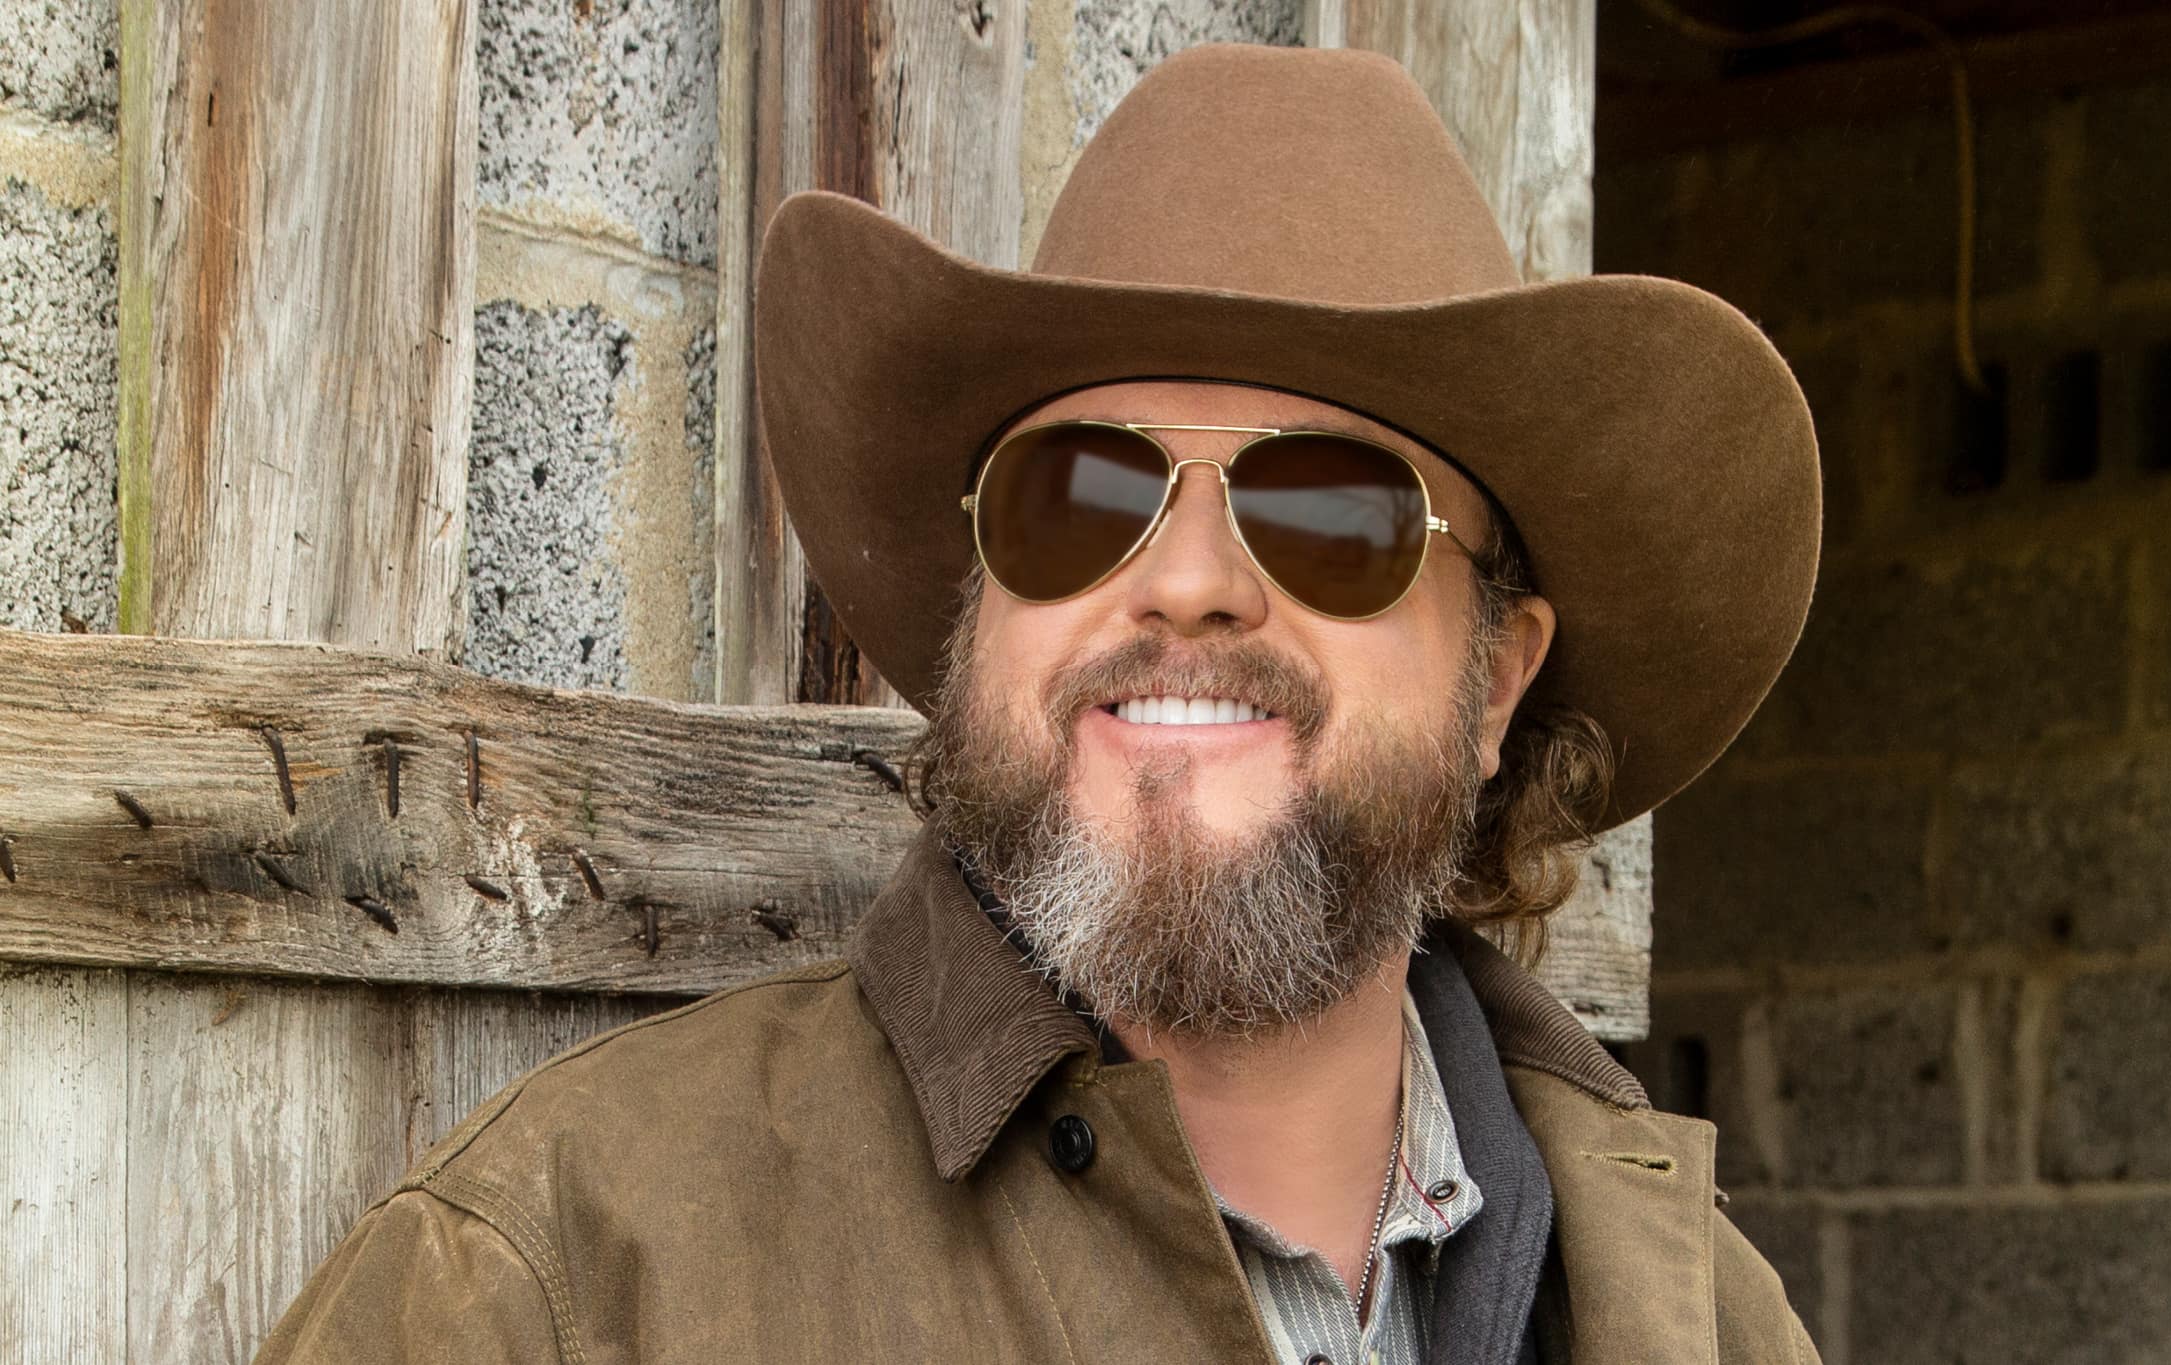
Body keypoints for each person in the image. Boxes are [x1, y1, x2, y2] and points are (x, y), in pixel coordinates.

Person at [257, 41, 1822, 1365]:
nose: (1187, 580)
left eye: (1332, 510)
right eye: (1079, 494)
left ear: (1497, 679)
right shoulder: (562, 1279)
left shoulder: (1702, 1318)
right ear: (982, 611)